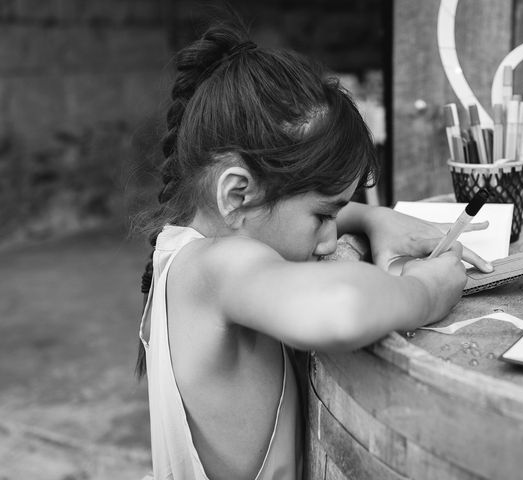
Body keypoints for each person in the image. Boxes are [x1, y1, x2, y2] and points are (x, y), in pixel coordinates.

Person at [135, 18, 493, 480]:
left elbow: (282, 216)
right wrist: (427, 291)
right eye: (323, 216)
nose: (329, 240)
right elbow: (341, 308)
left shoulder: (197, 243)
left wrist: (371, 217)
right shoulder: (217, 267)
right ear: (237, 195)